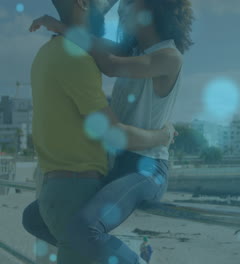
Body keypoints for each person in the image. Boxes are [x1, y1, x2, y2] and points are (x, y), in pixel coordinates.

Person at [22, 0, 194, 263]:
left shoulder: (170, 56)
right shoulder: (132, 49)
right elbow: (90, 42)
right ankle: (93, 250)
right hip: (118, 164)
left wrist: (57, 25)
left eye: (129, 4)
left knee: (84, 229)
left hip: (147, 168)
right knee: (34, 218)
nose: (122, 10)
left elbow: (110, 65)